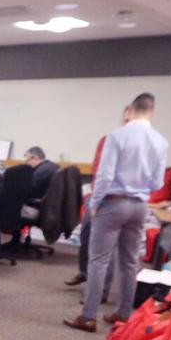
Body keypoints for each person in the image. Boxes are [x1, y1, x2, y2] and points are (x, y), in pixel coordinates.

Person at [64, 92, 168, 333]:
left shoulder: (117, 136)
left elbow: (104, 175)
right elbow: (157, 182)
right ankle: (123, 314)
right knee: (131, 261)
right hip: (140, 205)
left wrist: (95, 203)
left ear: (131, 110)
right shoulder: (161, 141)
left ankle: (88, 316)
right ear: (151, 112)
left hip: (113, 202)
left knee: (99, 260)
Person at [66, 106, 132, 288]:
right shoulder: (108, 140)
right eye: (125, 121)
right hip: (97, 194)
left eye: (131, 121)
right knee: (86, 234)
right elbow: (98, 168)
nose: (128, 125)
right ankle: (84, 272)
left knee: (106, 246)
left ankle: (102, 289)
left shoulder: (139, 146)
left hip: (118, 200)